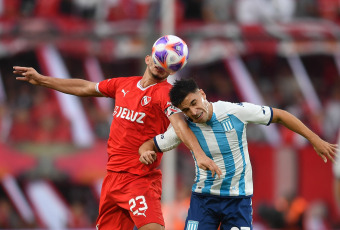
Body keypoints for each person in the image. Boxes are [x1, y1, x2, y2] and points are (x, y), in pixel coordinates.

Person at [12, 37, 222, 230]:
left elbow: (179, 124)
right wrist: (42, 80)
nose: (161, 65)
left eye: (169, 64)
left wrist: (199, 154)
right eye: (159, 59)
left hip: (139, 179)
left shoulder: (164, 94)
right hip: (112, 179)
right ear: (148, 58)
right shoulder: (123, 84)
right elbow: (84, 87)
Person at [139, 78, 338, 229]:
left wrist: (315, 139)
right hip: (203, 200)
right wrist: (145, 153)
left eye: (193, 102)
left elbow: (279, 115)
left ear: (202, 94)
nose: (193, 111)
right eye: (186, 110)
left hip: (238, 200)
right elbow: (149, 145)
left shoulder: (233, 111)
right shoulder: (183, 129)